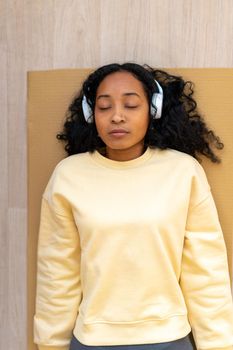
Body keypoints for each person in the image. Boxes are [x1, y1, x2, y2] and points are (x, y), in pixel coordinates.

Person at [33, 62, 233, 350]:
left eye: (130, 105)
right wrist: (50, 345)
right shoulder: (68, 176)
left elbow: (205, 271)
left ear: (152, 110)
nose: (117, 116)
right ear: (91, 114)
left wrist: (218, 345)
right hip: (92, 341)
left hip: (168, 340)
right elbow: (57, 273)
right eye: (104, 107)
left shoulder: (183, 172)